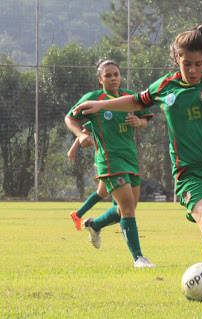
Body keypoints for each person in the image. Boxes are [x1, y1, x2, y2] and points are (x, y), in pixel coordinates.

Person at [72, 23, 202, 303]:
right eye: (186, 64)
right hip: (190, 172)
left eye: (197, 64)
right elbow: (136, 100)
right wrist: (101, 105)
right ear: (176, 59)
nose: (192, 70)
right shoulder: (165, 86)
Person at [65, 59, 156, 268]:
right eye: (108, 75)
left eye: (116, 74)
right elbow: (70, 118)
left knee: (128, 207)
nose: (113, 78)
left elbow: (145, 119)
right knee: (127, 208)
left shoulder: (129, 97)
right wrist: (79, 136)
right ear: (100, 79)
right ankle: (139, 258)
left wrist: (139, 122)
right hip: (109, 159)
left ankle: (94, 224)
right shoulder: (93, 99)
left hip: (130, 158)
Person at [68, 115, 147, 231]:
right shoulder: (103, 114)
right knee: (110, 190)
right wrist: (72, 149)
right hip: (108, 160)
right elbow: (84, 132)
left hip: (122, 160)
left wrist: (139, 121)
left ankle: (79, 214)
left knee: (104, 192)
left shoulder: (124, 114)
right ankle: (121, 219)